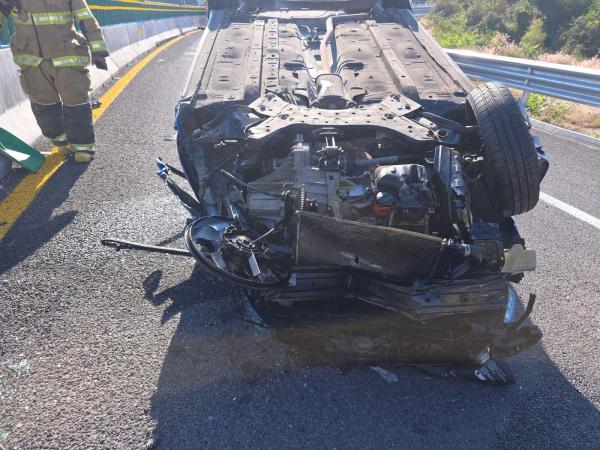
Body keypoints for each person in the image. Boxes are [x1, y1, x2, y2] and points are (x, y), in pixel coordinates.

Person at [0, 0, 109, 163]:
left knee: (76, 102)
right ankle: (61, 140)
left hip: (67, 57)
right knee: (44, 107)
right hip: (32, 62)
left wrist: (98, 50)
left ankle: (82, 147)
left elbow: (85, 18)